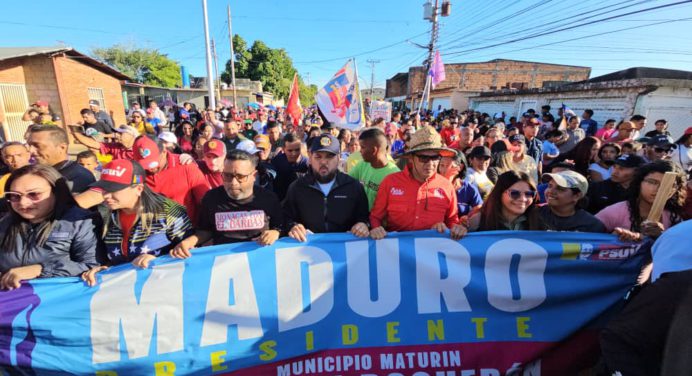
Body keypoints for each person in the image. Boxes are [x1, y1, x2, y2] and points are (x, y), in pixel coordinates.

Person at [80, 160, 194, 286]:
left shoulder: (168, 212)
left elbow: (192, 255)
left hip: (164, 289)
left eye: (113, 189)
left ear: (138, 189)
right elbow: (114, 259)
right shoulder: (105, 213)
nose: (106, 195)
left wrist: (159, 261)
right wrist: (102, 269)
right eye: (104, 189)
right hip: (124, 292)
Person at [0, 164, 101, 289]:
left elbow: (93, 266)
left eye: (34, 194)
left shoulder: (80, 222)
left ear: (57, 192)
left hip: (58, 301)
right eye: (15, 196)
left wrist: (40, 270)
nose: (23, 203)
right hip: (12, 302)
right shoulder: (5, 223)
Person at [171, 150, 284, 257]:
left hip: (258, 260)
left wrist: (275, 233)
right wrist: (188, 242)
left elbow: (281, 226)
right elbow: (205, 230)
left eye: (240, 177)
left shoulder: (268, 198)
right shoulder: (211, 198)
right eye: (227, 176)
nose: (233, 183)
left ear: (254, 176)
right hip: (224, 263)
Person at [369, 126, 466, 240]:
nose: (430, 163)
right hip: (396, 254)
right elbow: (375, 217)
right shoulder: (390, 182)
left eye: (435, 157)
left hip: (431, 253)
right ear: (411, 158)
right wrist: (376, 229)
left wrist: (456, 228)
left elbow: (452, 221)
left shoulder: (447, 186)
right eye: (424, 158)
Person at [284, 134, 370, 241]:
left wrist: (363, 225)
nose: (323, 161)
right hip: (309, 251)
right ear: (310, 158)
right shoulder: (297, 188)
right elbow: (286, 217)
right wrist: (293, 226)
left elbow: (365, 217)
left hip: (345, 252)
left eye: (329, 156)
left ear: (339, 158)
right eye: (318, 156)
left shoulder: (353, 187)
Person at [596, 160, 686, 241]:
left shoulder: (674, 218)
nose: (660, 189)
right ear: (639, 183)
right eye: (653, 182)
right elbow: (587, 240)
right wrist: (612, 238)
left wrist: (662, 236)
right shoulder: (614, 212)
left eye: (669, 185)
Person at [467, 171, 545, 231]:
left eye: (529, 194)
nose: (523, 199)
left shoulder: (540, 218)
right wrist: (460, 229)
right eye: (514, 193)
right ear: (499, 193)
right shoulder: (478, 221)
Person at [27, 125, 95, 193]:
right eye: (29, 145)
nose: (30, 150)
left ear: (62, 147)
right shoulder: (36, 173)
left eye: (37, 146)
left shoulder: (79, 177)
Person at [348, 128, 400, 209]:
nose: (360, 151)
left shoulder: (394, 175)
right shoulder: (363, 164)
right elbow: (346, 181)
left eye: (362, 147)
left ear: (374, 150)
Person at [539, 170, 606, 232]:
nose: (550, 191)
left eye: (560, 188)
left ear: (577, 196)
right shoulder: (534, 213)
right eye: (550, 186)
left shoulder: (591, 225)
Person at [71, 124, 138, 161]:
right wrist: (75, 133)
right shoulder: (116, 146)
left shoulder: (139, 149)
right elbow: (93, 144)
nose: (117, 135)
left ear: (131, 135)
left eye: (121, 133)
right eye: (117, 133)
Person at [271, 133, 308, 201]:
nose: (294, 154)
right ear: (283, 149)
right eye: (290, 151)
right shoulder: (277, 162)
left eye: (297, 150)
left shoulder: (307, 164)